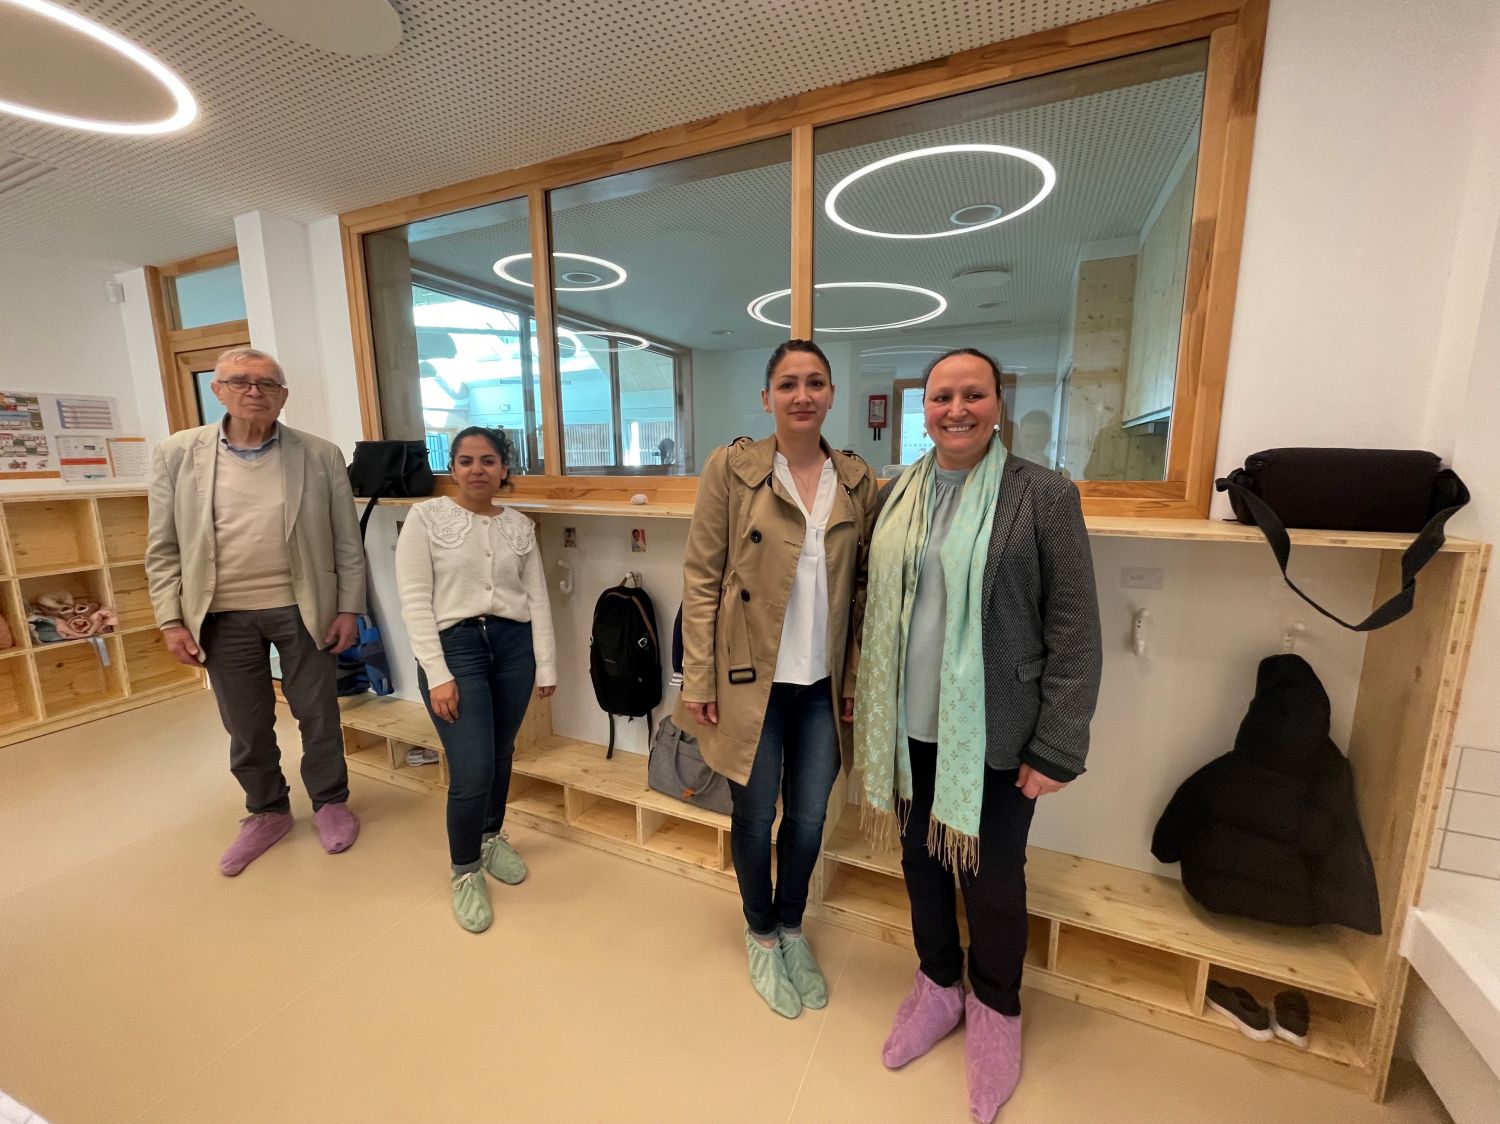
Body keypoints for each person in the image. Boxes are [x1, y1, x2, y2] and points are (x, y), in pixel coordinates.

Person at [855, 348, 1101, 1122]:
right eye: (941, 397)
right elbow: (876, 603)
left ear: (999, 403)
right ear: (923, 409)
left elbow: (1075, 630)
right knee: (921, 866)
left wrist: (1057, 744)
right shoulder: (897, 495)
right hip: (907, 730)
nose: (955, 409)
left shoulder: (1043, 496)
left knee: (992, 882)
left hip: (996, 736)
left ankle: (996, 1011)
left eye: (972, 394)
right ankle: (937, 985)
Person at [678, 339, 878, 1018]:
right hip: (747, 680)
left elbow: (864, 593)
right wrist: (698, 679)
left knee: (811, 815)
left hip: (820, 683)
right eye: (788, 383)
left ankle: (792, 927)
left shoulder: (856, 480)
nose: (802, 395)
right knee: (755, 812)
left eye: (815, 382)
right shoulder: (732, 469)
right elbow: (701, 579)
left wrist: (853, 681)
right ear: (766, 397)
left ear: (831, 395)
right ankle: (761, 934)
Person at [146, 347, 366, 876]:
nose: (254, 391)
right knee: (245, 723)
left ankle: (330, 802)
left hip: (304, 608)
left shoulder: (319, 454)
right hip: (221, 615)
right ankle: (267, 810)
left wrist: (349, 609)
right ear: (217, 390)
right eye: (240, 381)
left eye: (267, 384)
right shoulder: (178, 453)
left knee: (319, 714)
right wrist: (170, 619)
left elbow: (346, 540)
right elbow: (163, 545)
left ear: (283, 395)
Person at [395, 427, 556, 933]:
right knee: (472, 769)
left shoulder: (519, 525)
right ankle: (465, 870)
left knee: (502, 753)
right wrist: (436, 673)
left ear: (504, 468)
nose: (477, 470)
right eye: (466, 460)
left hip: (513, 647)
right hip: (455, 647)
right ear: (453, 467)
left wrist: (546, 664)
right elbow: (414, 600)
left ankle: (490, 836)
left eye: (488, 460)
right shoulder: (425, 518)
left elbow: (537, 597)